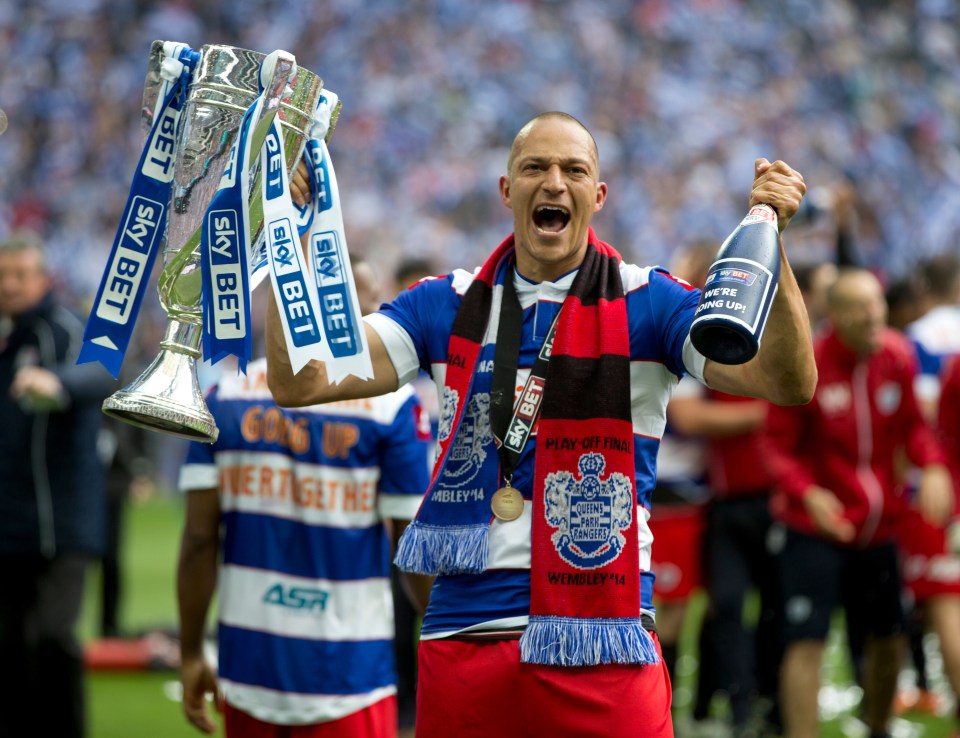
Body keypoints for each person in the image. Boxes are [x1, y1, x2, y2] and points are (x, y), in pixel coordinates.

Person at [269, 111, 816, 738]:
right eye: (535, 168)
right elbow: (300, 380)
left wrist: (772, 240)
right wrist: (294, 239)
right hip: (465, 639)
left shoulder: (651, 301)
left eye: (574, 170)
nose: (554, 182)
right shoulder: (443, 302)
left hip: (604, 643)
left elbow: (786, 382)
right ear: (508, 190)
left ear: (597, 195)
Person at [177, 260, 433, 737]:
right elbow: (413, 553)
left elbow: (197, 540)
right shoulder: (394, 406)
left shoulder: (223, 395)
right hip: (349, 672)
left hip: (249, 667)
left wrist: (191, 652)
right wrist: (451, 649)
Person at [764, 267, 954, 738]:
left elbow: (913, 425)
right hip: (814, 530)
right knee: (806, 643)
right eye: (861, 308)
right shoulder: (807, 362)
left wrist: (931, 465)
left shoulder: (897, 355)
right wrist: (809, 494)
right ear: (836, 315)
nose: (874, 317)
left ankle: (878, 726)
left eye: (878, 305)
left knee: (890, 639)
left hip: (879, 530)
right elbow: (774, 445)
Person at [0, 228, 115, 738]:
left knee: (54, 638)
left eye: (20, 275)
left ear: (44, 278)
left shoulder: (66, 330)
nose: (9, 285)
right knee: (11, 646)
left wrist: (57, 382)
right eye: (3, 276)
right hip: (9, 521)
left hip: (61, 522)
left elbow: (106, 370)